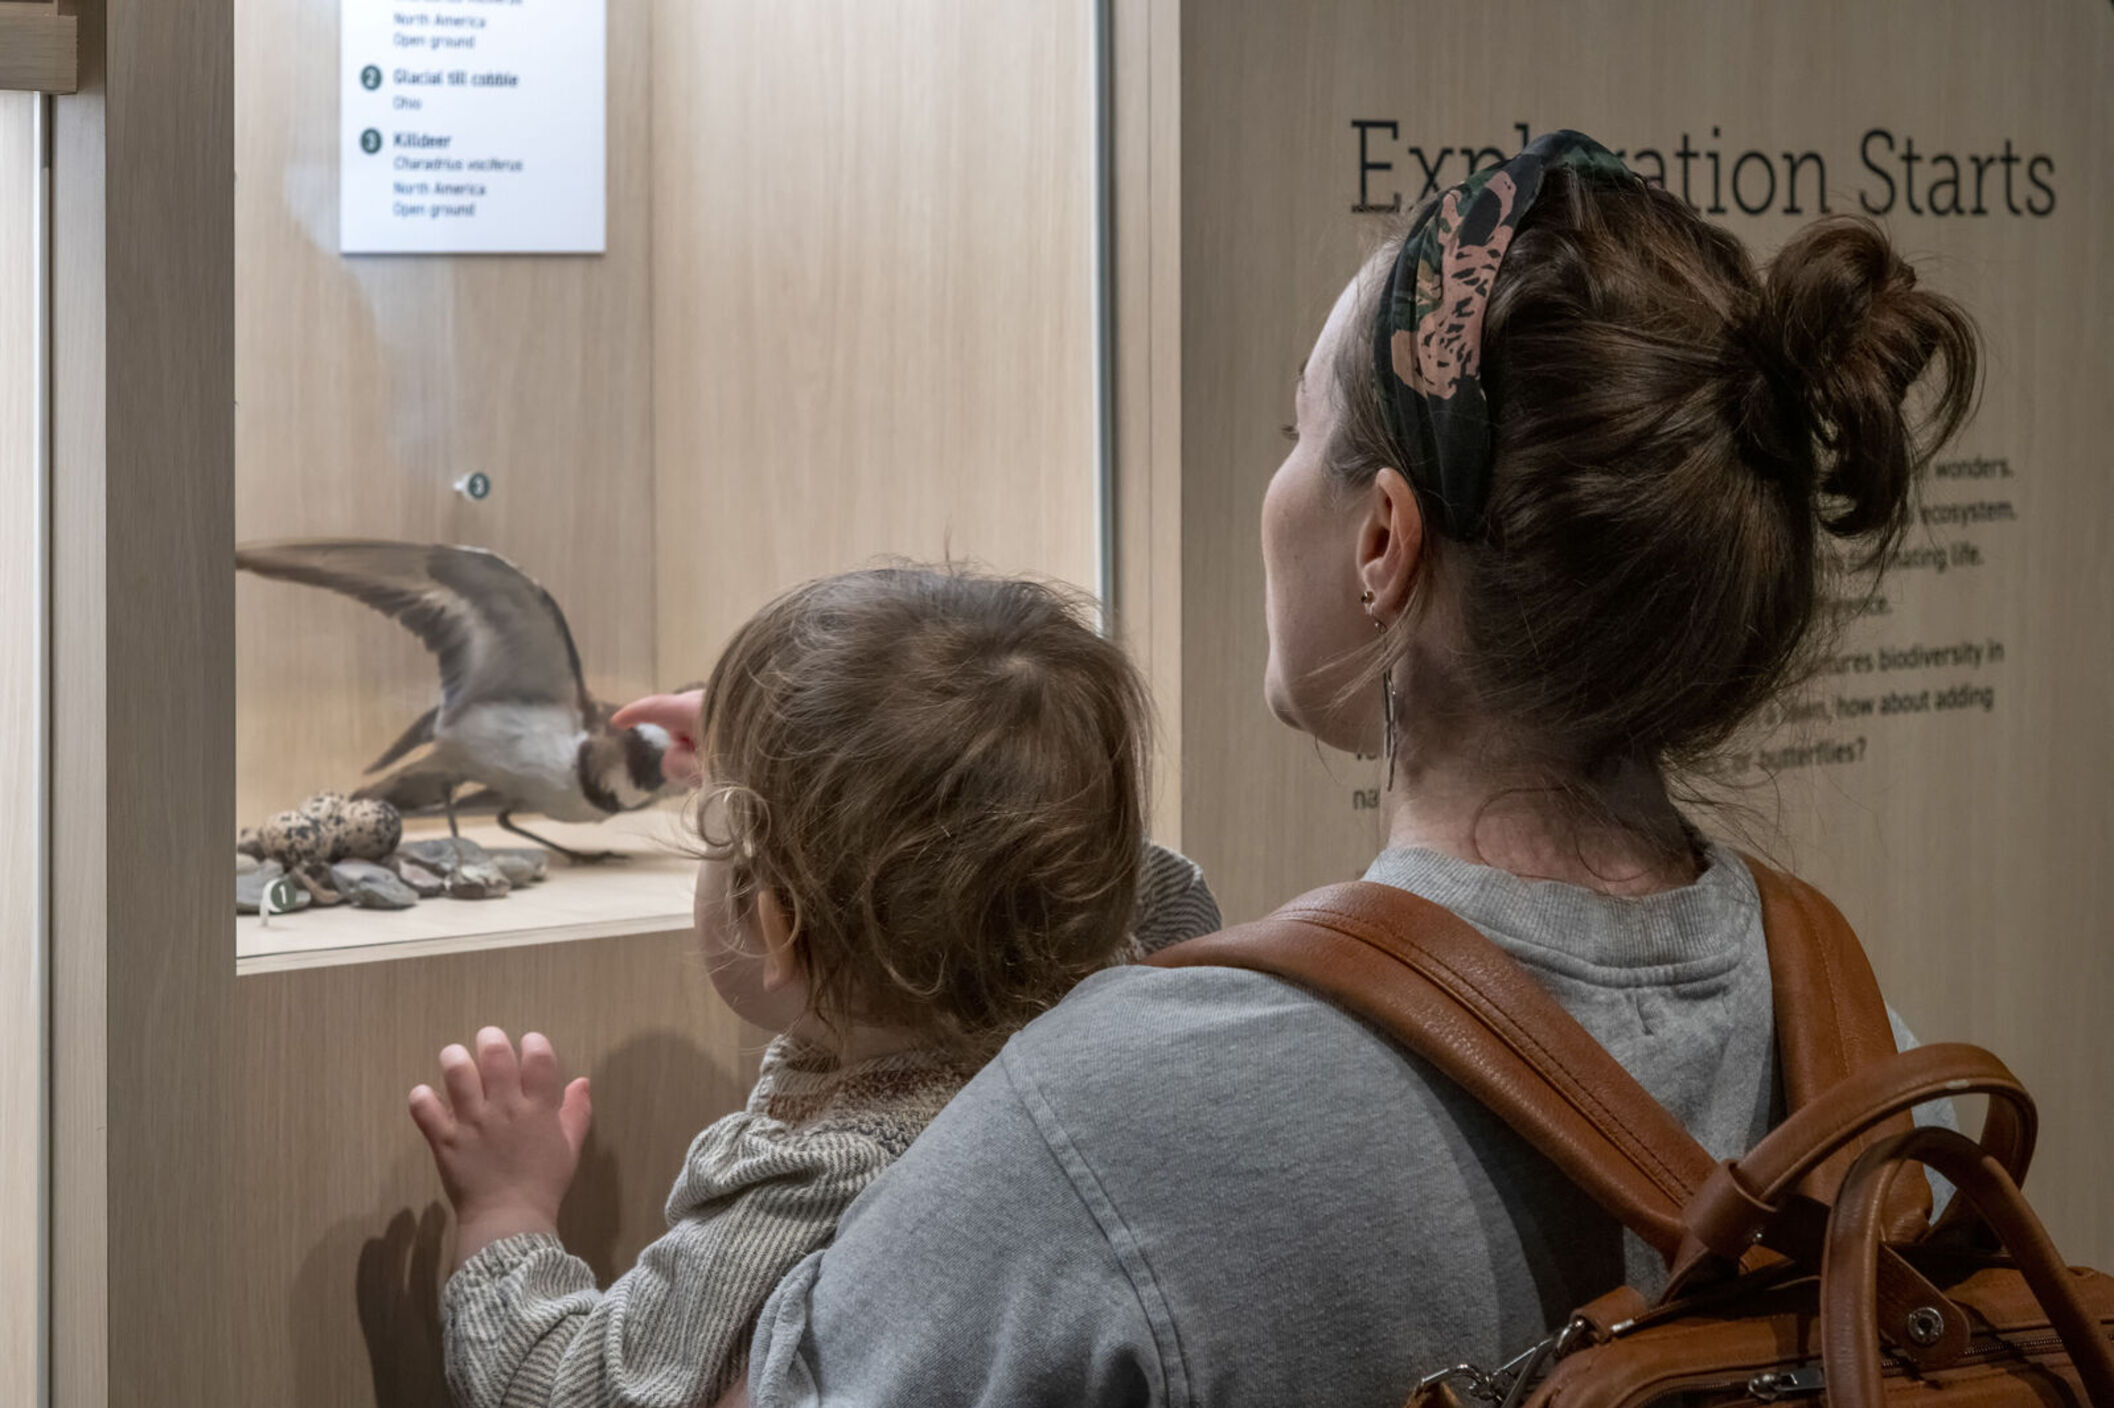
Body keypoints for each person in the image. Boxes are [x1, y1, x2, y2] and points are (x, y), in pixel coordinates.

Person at [730, 132, 1980, 1407]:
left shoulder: (1111, 1123)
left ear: (1383, 538)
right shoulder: (1875, 1081)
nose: (1274, 479)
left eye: (1298, 429)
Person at [405, 566, 1221, 1408]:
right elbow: (1125, 870)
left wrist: (506, 1213)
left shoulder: (815, 1188)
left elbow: (571, 1391)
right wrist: (779, 746)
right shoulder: (1120, 979)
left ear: (778, 928)